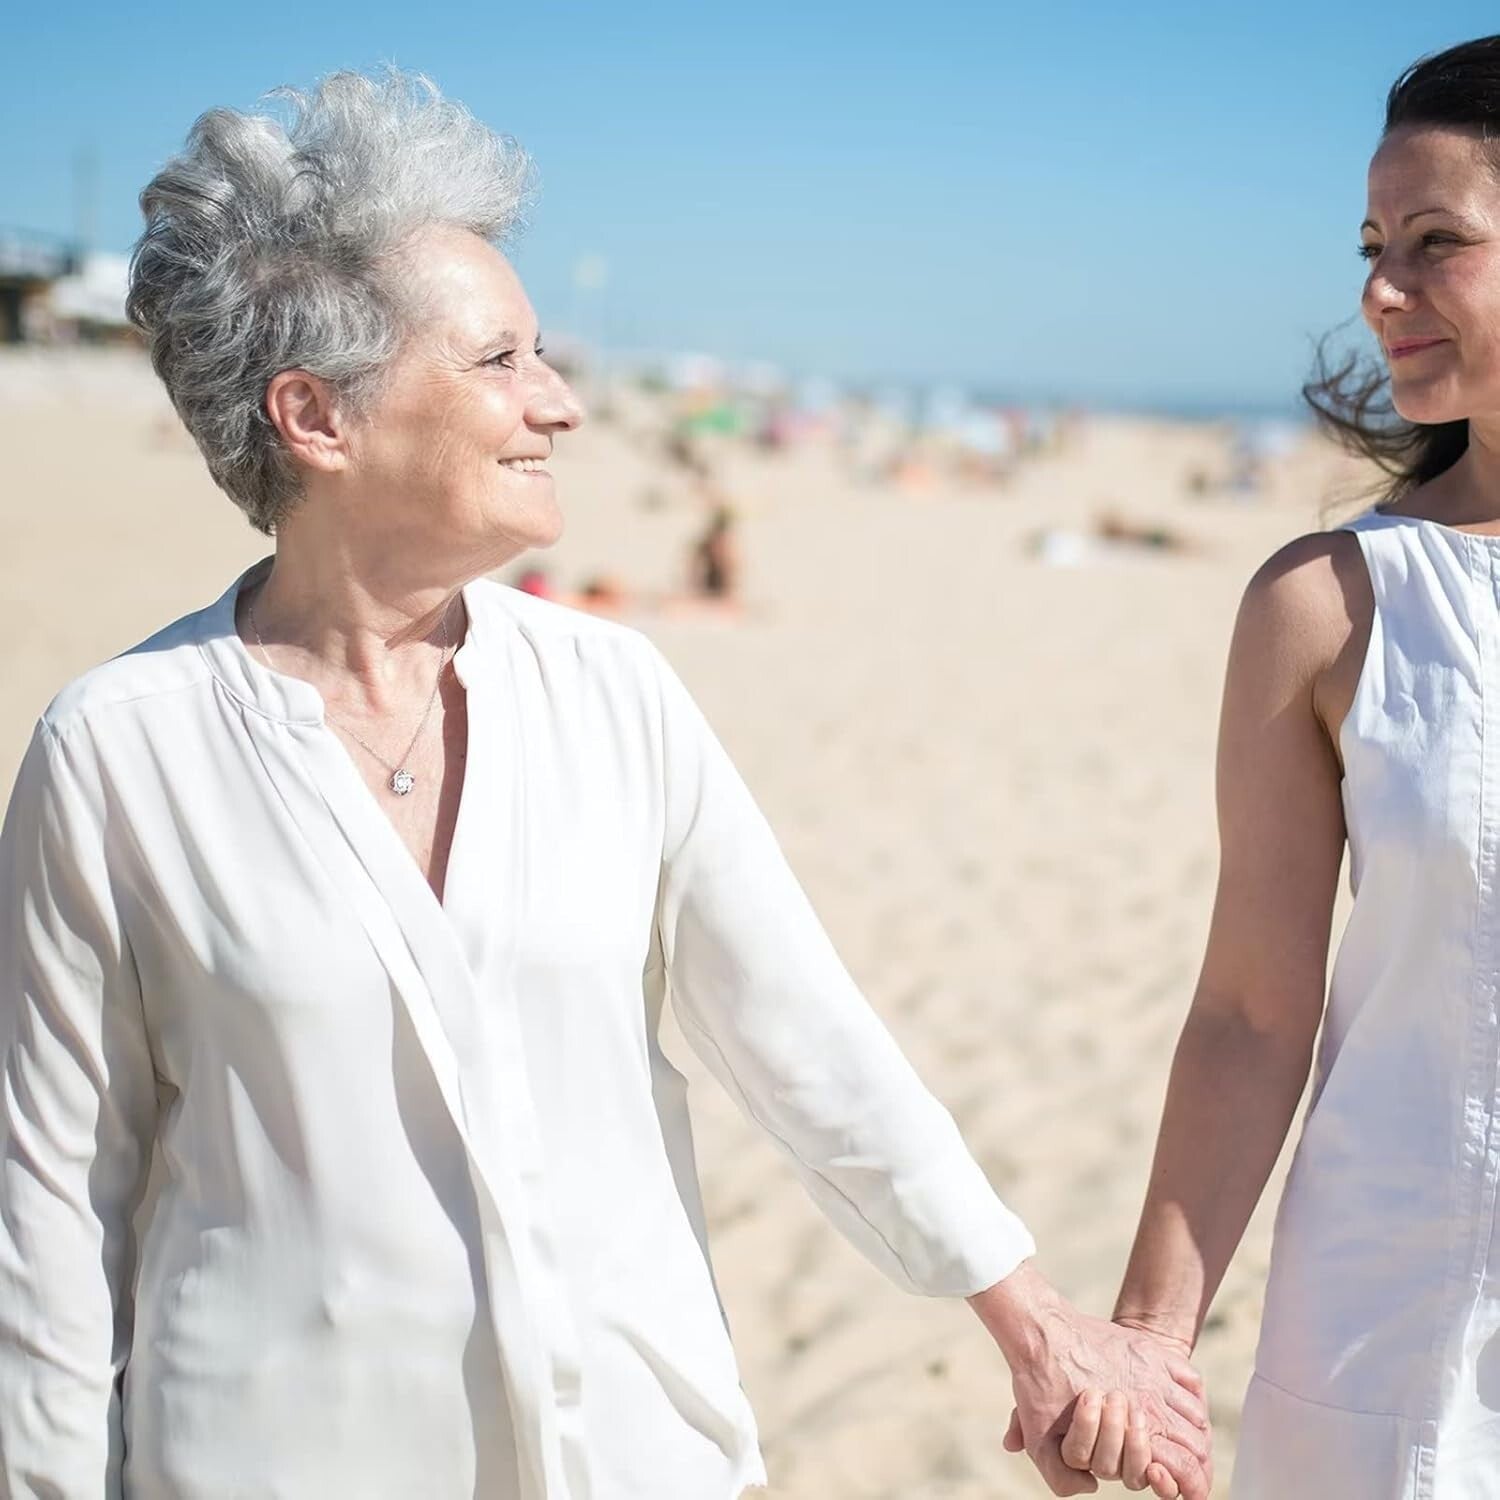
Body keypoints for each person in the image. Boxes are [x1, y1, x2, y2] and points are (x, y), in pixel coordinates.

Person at [0, 72, 1207, 1499]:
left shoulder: (614, 695)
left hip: (638, 1462)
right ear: (315, 417)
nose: (559, 404)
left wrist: (1036, 1322)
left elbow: (803, 1039)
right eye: (500, 360)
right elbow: (52, 1231)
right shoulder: (118, 752)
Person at [1059, 33, 1500, 1498]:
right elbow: (1253, 1012)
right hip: (1401, 1340)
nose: (1381, 289)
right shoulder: (1328, 605)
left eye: (1436, 243)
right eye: (1375, 244)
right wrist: (1145, 1336)